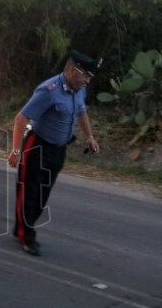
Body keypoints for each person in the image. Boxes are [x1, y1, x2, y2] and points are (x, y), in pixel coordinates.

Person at [8, 50, 101, 256]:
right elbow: (21, 119)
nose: (87, 80)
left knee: (42, 195)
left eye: (89, 77)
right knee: (29, 192)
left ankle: (22, 227)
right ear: (71, 70)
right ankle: (26, 236)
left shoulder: (79, 89)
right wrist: (16, 150)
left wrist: (90, 137)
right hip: (37, 146)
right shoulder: (49, 90)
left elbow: (81, 112)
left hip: (59, 149)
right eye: (85, 75)